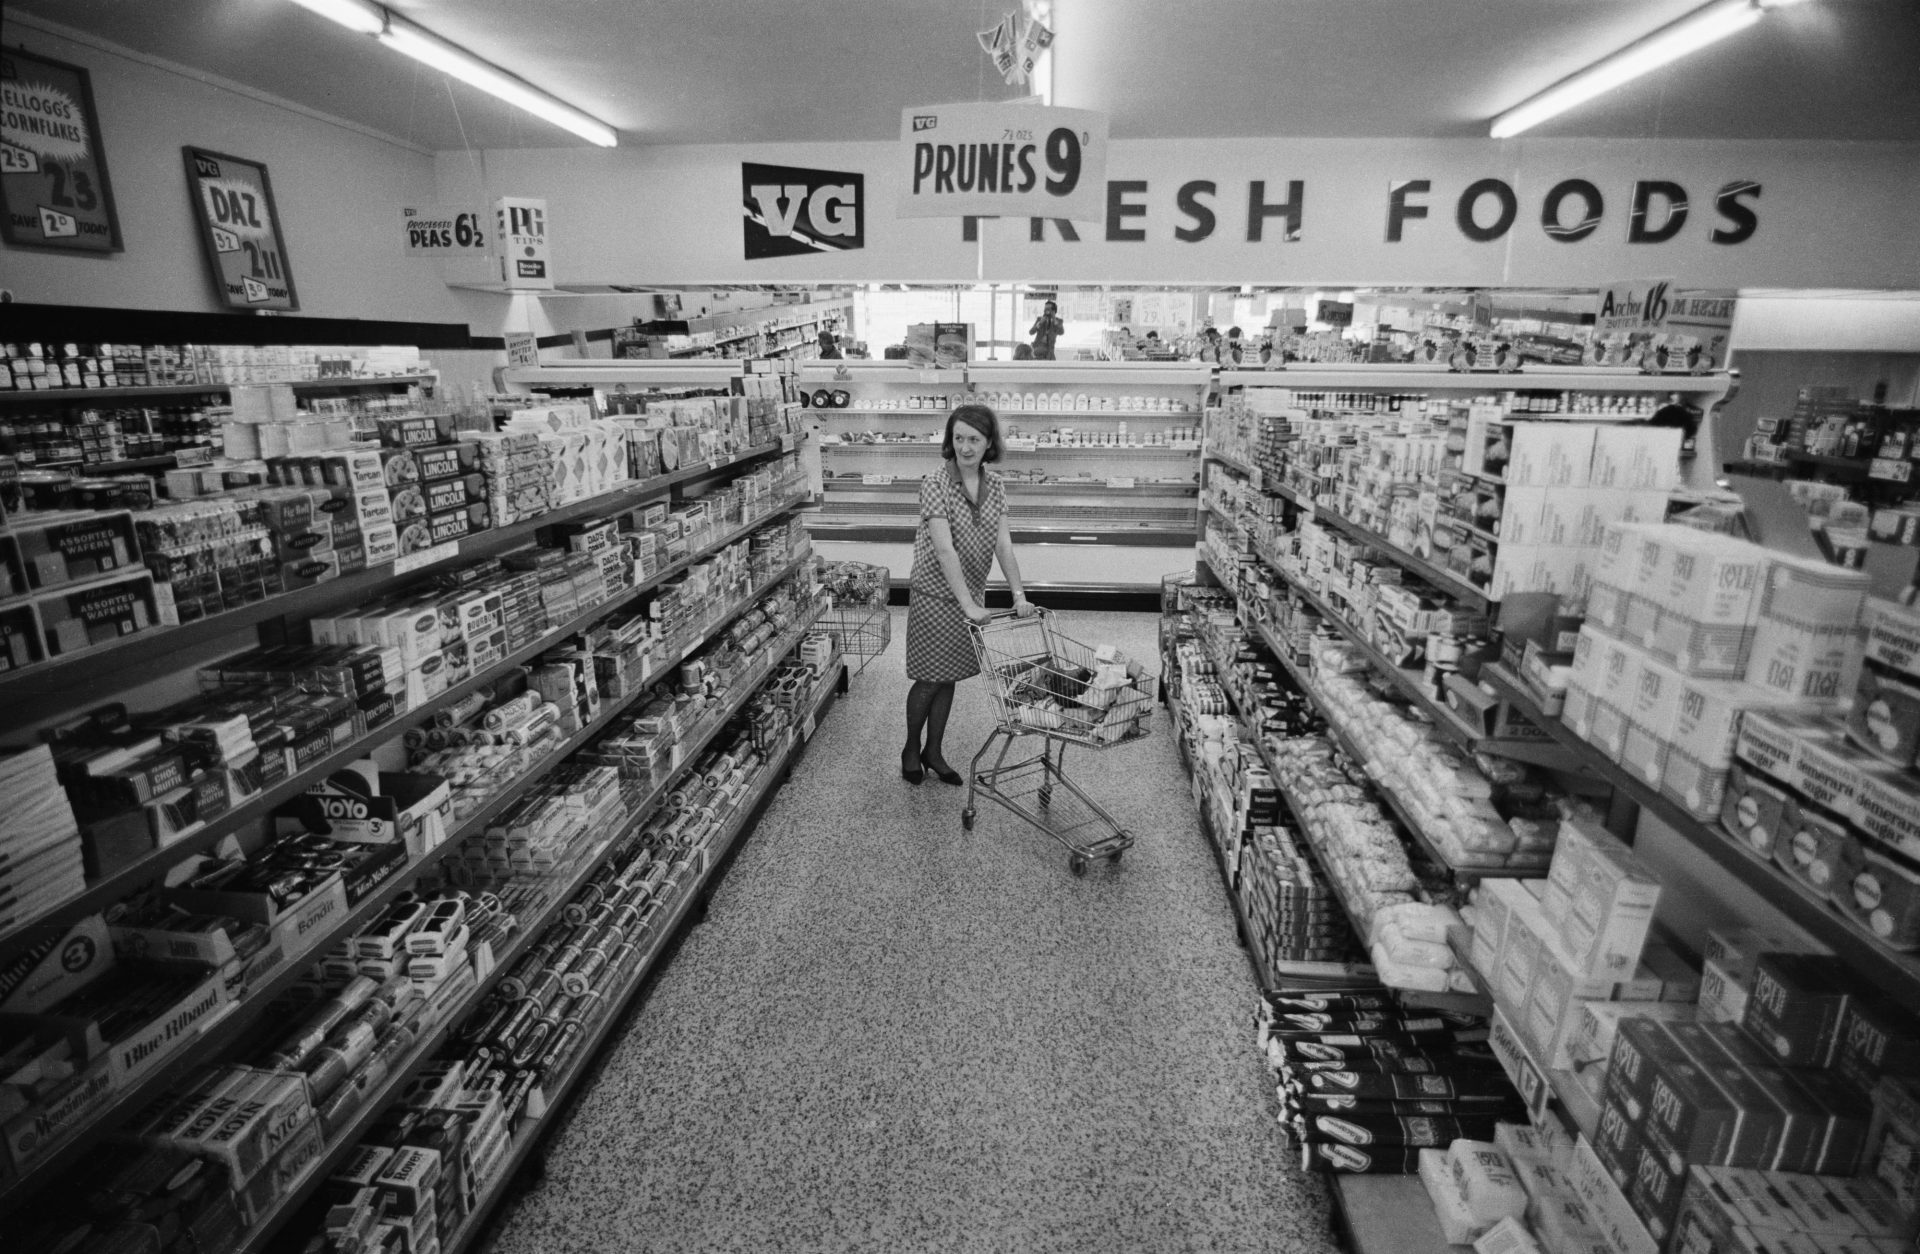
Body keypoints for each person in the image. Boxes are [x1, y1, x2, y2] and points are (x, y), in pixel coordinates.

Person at [902, 404, 1035, 785]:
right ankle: (912, 748)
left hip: (970, 597)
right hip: (934, 595)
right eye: (958, 438)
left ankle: (935, 751)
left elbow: (1004, 545)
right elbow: (945, 550)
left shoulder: (995, 487)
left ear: (989, 442)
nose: (965, 446)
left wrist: (1018, 594)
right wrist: (969, 605)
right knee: (930, 677)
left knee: (949, 678)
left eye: (973, 439)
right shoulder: (935, 484)